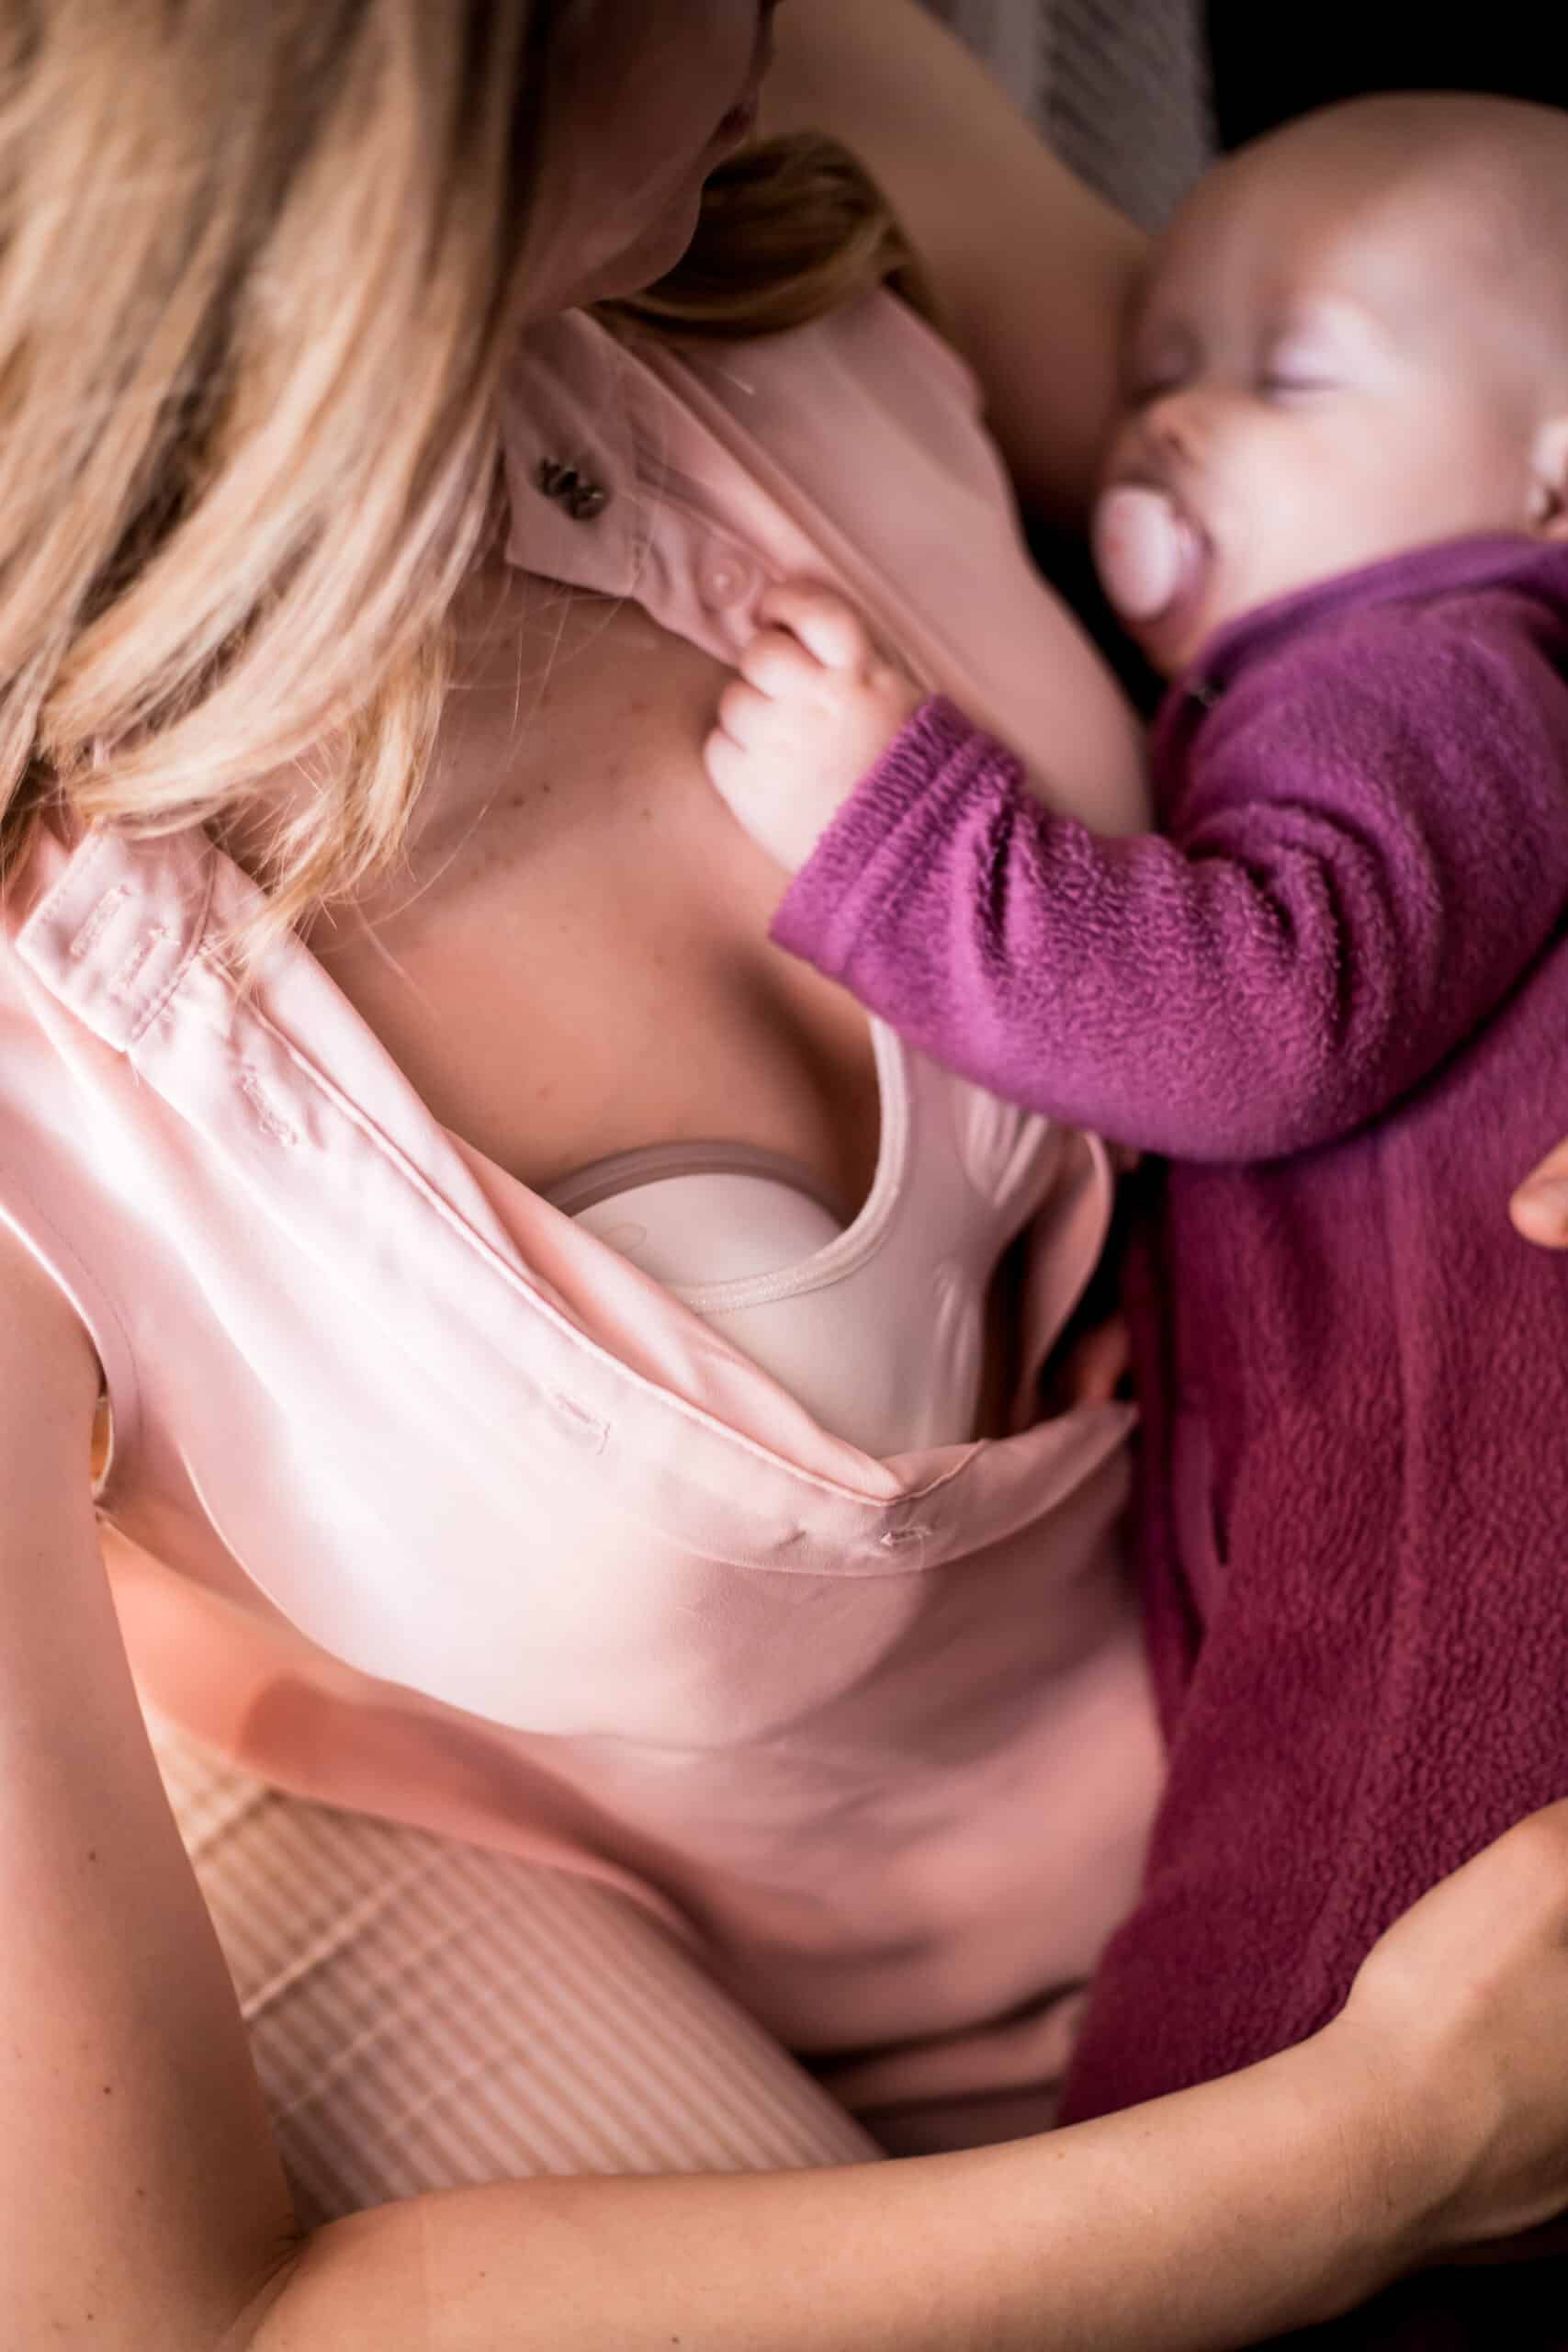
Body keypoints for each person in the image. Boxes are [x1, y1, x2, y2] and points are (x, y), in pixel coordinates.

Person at [4, 9, 1568, 2346]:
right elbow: (163, 2312)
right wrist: (1382, 2136)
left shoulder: (764, 134)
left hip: (1403, 1618)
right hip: (1021, 2079)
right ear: (342, 128)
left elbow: (1456, 466)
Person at [702, 88, 1568, 2335]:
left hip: (1462, 1547)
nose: (1168, 420)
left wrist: (902, 834)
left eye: (1282, 374)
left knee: (1265, 2026)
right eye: (1163, 354)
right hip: (1412, 1478)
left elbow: (1268, 1018)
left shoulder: (1431, 669)